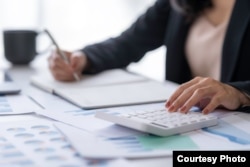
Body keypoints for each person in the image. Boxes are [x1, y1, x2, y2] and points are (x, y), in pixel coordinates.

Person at [48, 0, 250, 114]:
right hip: (191, 126)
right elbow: (128, 44)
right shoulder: (177, 3)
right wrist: (82, 58)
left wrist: (239, 93)